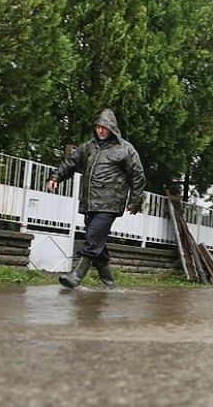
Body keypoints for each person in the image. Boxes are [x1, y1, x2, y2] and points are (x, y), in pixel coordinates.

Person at [47, 108, 146, 289]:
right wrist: (55, 177)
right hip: (89, 203)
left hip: (110, 204)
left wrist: (134, 202)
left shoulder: (125, 149)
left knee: (93, 238)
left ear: (112, 128)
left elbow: (138, 176)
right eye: (98, 127)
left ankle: (76, 277)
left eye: (104, 127)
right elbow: (71, 163)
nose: (100, 131)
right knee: (98, 243)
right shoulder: (88, 147)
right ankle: (110, 285)